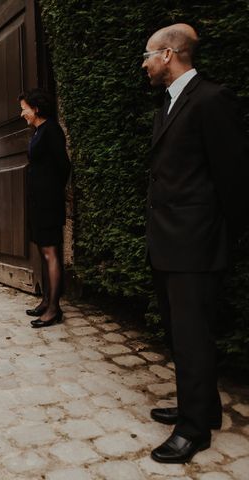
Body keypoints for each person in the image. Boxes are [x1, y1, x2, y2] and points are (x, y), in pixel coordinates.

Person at [142, 23, 248, 464]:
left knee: (192, 337)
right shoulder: (167, 104)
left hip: (196, 243)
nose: (144, 64)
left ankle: (194, 430)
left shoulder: (211, 99)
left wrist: (225, 239)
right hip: (169, 241)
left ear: (169, 54)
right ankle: (200, 407)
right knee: (178, 334)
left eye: (147, 56)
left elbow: (235, 176)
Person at [19, 88, 71, 328]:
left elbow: (63, 166)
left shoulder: (51, 130)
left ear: (36, 108)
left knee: (51, 253)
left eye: (24, 109)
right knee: (43, 251)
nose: (22, 114)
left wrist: (50, 192)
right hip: (38, 202)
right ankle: (46, 299)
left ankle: (54, 309)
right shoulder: (39, 131)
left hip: (48, 203)